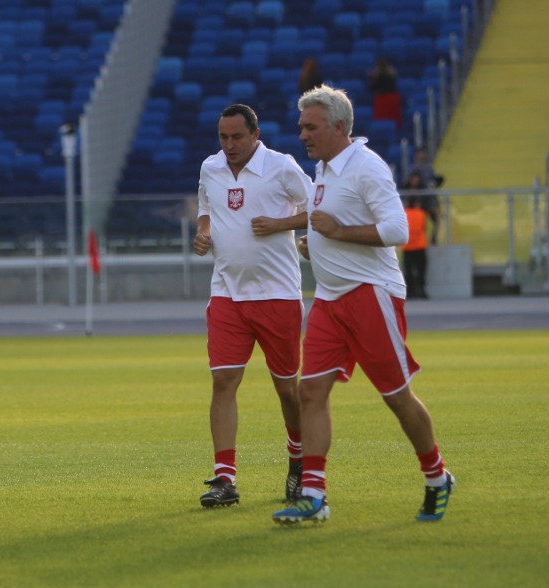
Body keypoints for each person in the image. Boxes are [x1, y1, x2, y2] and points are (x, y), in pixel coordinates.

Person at [272, 84, 454, 525]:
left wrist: (334, 234)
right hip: (330, 298)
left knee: (396, 396)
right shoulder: (325, 167)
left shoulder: (366, 167)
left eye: (310, 127)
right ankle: (314, 496)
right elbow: (334, 224)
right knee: (310, 390)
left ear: (338, 127)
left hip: (371, 294)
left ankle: (436, 476)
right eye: (301, 127)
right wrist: (315, 244)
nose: (303, 135)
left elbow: (397, 230)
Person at [193, 103, 313, 508]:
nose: (229, 145)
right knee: (223, 382)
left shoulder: (281, 167)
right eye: (223, 137)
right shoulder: (210, 168)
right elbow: (205, 205)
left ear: (255, 135)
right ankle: (224, 478)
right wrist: (204, 231)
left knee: (286, 388)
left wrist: (280, 224)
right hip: (227, 293)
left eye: (237, 137)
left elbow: (318, 207)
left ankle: (297, 459)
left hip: (277, 294)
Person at [401, 195, 432, 299]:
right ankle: (422, 291)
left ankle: (410, 292)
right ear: (417, 204)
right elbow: (424, 227)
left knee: (408, 271)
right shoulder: (422, 214)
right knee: (421, 270)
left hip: (407, 246)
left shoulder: (404, 214)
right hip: (420, 245)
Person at [368, 58, 401, 127]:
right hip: (392, 98)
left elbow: (373, 88)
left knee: (382, 121)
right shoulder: (392, 75)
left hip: (382, 99)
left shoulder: (379, 76)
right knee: (392, 120)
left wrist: (372, 78)